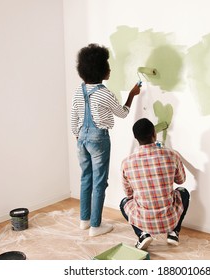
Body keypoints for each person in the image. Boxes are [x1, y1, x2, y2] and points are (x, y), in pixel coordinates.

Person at [71, 43, 142, 237]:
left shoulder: (79, 91)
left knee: (86, 178)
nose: (110, 69)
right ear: (100, 70)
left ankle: (84, 221)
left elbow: (73, 118)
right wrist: (132, 96)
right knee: (100, 182)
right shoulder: (104, 93)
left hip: (81, 138)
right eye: (107, 65)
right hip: (98, 139)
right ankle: (96, 226)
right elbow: (122, 113)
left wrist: (79, 135)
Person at [120, 118, 190, 250]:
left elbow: (128, 194)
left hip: (144, 219)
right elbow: (181, 181)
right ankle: (173, 232)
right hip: (169, 218)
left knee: (124, 202)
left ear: (136, 138)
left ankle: (142, 234)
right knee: (183, 192)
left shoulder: (126, 162)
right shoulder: (171, 155)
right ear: (154, 134)